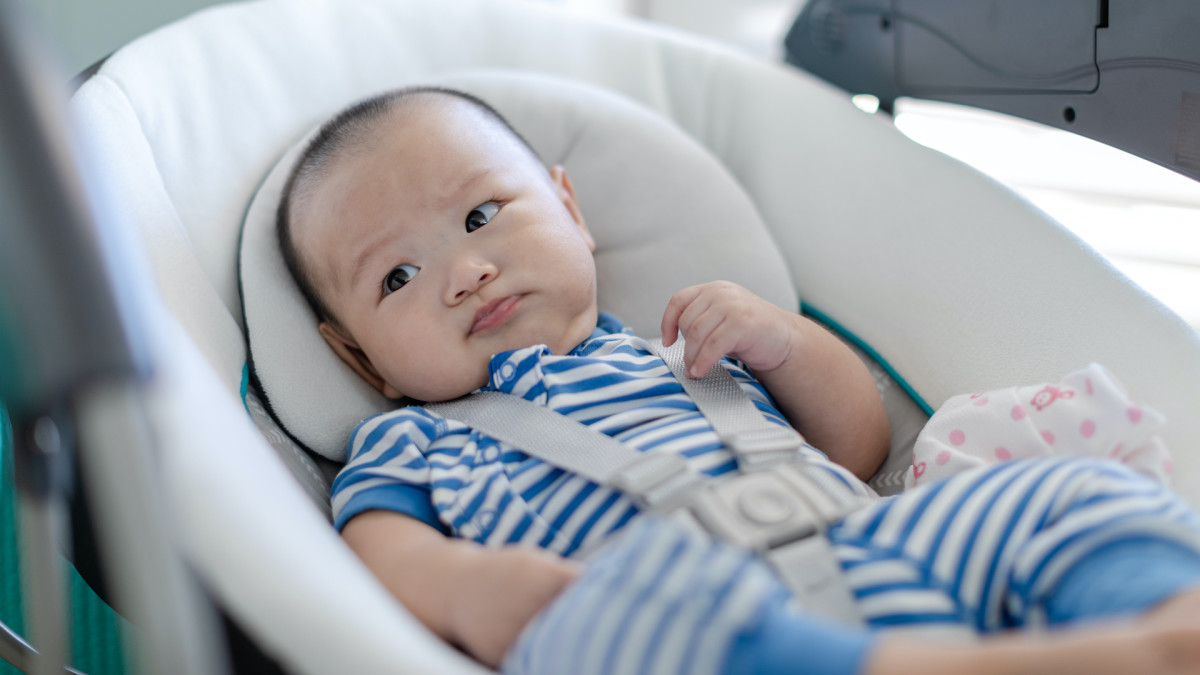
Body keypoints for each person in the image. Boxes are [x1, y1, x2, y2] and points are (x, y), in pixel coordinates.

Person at [275, 86, 1200, 675]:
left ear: (569, 207)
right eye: (396, 277)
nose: (463, 272)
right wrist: (468, 588)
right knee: (604, 626)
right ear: (360, 360)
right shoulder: (415, 439)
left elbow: (858, 446)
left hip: (875, 543)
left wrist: (784, 342)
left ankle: (1166, 619)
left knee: (1057, 493)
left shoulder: (685, 350)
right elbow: (382, 550)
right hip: (686, 617)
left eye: (482, 213)